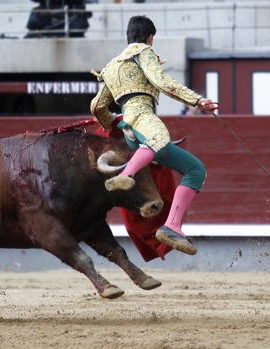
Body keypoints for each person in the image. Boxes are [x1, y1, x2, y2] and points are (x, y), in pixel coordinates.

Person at [90, 15, 218, 255]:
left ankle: (172, 226)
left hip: (130, 127)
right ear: (150, 38)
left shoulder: (112, 66)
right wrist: (198, 100)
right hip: (145, 119)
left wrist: (115, 122)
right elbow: (162, 81)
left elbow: (97, 106)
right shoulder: (144, 52)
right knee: (159, 138)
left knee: (195, 170)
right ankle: (126, 175)